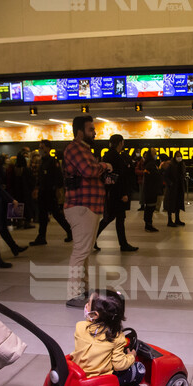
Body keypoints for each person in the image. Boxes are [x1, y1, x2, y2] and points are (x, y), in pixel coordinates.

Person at [63, 115, 112, 308]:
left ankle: (82, 290)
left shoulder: (85, 150)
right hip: (81, 206)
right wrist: (105, 166)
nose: (95, 132)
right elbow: (89, 170)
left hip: (87, 206)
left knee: (84, 252)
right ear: (80, 131)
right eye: (91, 129)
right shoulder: (75, 148)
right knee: (80, 253)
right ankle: (74, 294)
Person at [71, 289, 146, 386]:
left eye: (88, 304)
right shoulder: (117, 337)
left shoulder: (80, 326)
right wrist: (131, 356)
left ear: (95, 314)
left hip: (79, 374)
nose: (86, 305)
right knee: (139, 368)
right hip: (100, 380)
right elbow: (119, 365)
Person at [95, 134, 138, 251]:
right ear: (120, 143)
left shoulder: (109, 155)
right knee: (113, 218)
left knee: (116, 218)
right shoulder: (115, 157)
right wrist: (123, 193)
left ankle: (122, 243)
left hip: (112, 192)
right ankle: (122, 244)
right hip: (116, 193)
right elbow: (118, 177)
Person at [31, 141, 73, 245]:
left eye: (43, 147)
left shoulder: (53, 161)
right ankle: (41, 237)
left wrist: (58, 190)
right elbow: (40, 177)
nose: (40, 149)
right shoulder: (42, 161)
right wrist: (37, 188)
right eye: (40, 147)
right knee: (43, 216)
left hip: (50, 192)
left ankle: (70, 231)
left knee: (56, 215)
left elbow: (58, 177)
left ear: (49, 148)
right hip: (43, 192)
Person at [141, 149, 163, 231]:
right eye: (154, 153)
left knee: (150, 207)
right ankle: (148, 225)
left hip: (152, 189)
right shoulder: (150, 165)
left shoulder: (151, 164)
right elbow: (152, 177)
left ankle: (149, 224)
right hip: (150, 190)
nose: (156, 155)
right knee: (150, 207)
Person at [164, 150, 187, 227]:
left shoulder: (182, 164)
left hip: (179, 187)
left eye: (180, 156)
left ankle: (177, 219)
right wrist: (170, 183)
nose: (179, 157)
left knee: (178, 203)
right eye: (177, 156)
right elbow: (165, 175)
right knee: (170, 204)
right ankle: (169, 220)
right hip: (172, 188)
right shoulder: (171, 165)